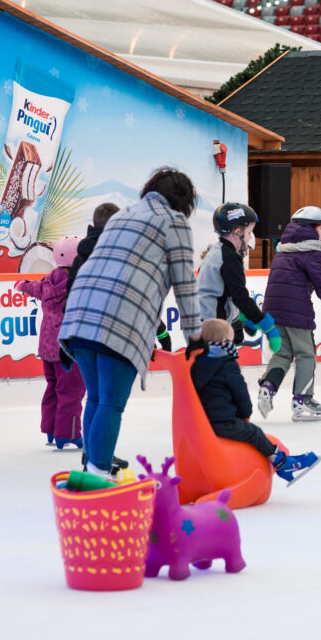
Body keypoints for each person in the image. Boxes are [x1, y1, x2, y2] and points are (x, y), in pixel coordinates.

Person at [59, 167, 204, 479]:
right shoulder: (173, 221)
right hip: (119, 320)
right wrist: (195, 335)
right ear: (183, 200)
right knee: (111, 402)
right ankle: (98, 476)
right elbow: (184, 283)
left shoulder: (123, 215)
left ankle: (91, 468)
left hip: (80, 313)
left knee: (96, 398)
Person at [190, 318, 320, 485]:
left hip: (201, 423)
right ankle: (282, 463)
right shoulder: (226, 363)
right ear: (223, 342)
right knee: (254, 433)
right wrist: (245, 414)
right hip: (223, 422)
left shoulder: (195, 363)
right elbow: (240, 393)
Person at [257, 205, 321, 422]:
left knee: (283, 354)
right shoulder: (311, 251)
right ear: (312, 228)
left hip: (273, 310)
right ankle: (302, 400)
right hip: (296, 311)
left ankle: (268, 386)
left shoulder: (285, 249)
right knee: (306, 354)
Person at [15, 235, 85, 449]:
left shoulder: (48, 281)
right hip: (67, 347)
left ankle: (51, 430)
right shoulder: (78, 284)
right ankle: (68, 434)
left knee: (53, 387)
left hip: (46, 348)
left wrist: (21, 284)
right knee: (71, 391)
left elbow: (32, 287)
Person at [198, 202, 281, 352]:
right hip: (215, 329)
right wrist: (265, 325)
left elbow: (224, 292)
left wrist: (242, 316)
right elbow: (239, 296)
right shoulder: (229, 258)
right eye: (249, 233)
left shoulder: (218, 252)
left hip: (209, 325)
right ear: (237, 232)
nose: (249, 239)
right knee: (223, 373)